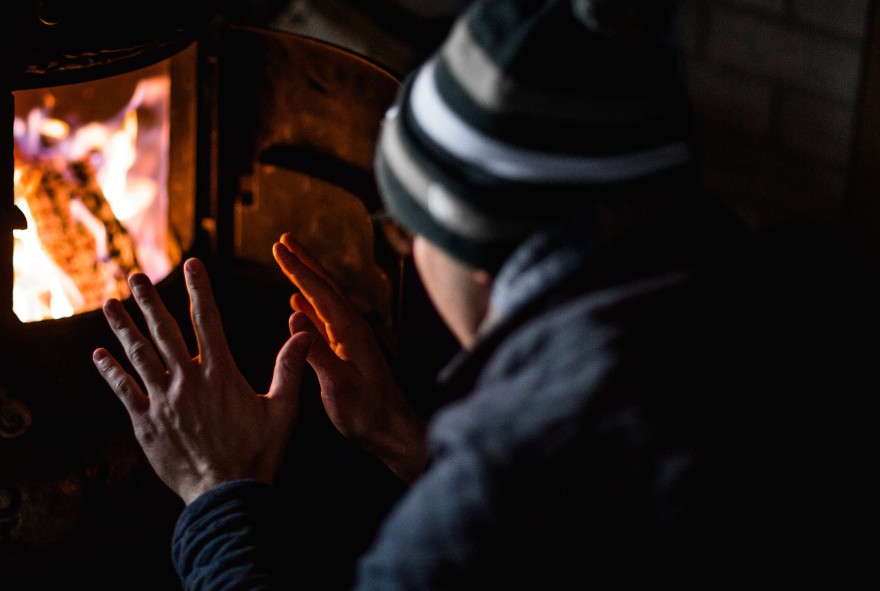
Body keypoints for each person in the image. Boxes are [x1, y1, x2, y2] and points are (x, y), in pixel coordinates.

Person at [93, 0, 876, 588]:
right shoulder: (808, 303)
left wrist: (218, 488)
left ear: (473, 250)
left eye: (406, 226)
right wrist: (404, 438)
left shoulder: (487, 499)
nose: (408, 249)